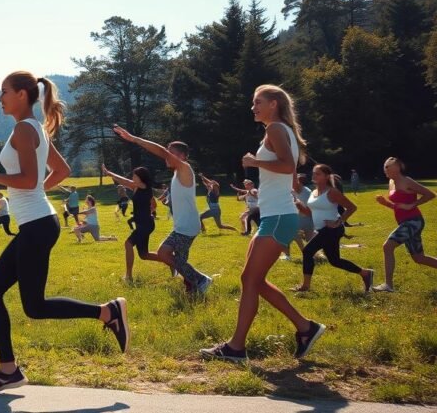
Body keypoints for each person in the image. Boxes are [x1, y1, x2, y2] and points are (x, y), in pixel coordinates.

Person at [0, 72, 128, 396]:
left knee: (30, 304)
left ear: (20, 94)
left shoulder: (23, 129)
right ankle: (8, 370)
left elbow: (29, 179)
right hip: (38, 223)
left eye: (3, 92)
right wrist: (35, 195)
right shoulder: (36, 129)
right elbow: (62, 171)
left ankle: (108, 312)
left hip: (37, 227)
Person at [200, 84, 325, 363]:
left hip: (279, 216)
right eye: (253, 102)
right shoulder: (283, 131)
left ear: (274, 104)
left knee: (250, 279)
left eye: (258, 102)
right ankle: (306, 328)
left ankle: (236, 347)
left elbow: (287, 167)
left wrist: (254, 162)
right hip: (275, 215)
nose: (253, 107)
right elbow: (288, 173)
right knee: (252, 280)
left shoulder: (276, 129)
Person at [113, 127, 212, 294]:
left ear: (182, 156)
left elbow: (160, 151)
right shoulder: (176, 174)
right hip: (183, 226)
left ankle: (201, 279)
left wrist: (135, 139)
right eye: (168, 151)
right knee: (179, 260)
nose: (167, 155)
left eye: (171, 152)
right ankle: (193, 284)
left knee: (164, 253)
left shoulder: (184, 168)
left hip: (186, 227)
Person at [292, 165, 372, 293]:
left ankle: (305, 286)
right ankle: (365, 273)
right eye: (313, 173)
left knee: (307, 251)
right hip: (323, 230)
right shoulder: (313, 192)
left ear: (326, 176)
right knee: (335, 261)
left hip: (332, 230)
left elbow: (352, 207)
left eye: (318, 174)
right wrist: (298, 205)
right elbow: (309, 213)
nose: (314, 176)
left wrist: (338, 222)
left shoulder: (332, 192)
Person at [372, 157, 437, 292]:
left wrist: (413, 204)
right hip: (405, 221)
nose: (385, 169)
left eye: (388, 167)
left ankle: (388, 285)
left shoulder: (406, 181)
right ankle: (388, 285)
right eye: (385, 167)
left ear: (397, 168)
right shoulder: (391, 182)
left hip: (413, 221)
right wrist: (385, 203)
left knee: (387, 246)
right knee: (419, 258)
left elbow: (430, 194)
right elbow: (398, 206)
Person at [103, 164, 160, 283]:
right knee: (144, 255)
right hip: (143, 224)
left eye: (135, 175)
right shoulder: (139, 187)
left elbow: (124, 181)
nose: (133, 177)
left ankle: (128, 276)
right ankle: (171, 261)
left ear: (140, 177)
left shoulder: (141, 186)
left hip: (145, 225)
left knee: (128, 244)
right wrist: (150, 211)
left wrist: (109, 173)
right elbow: (154, 205)